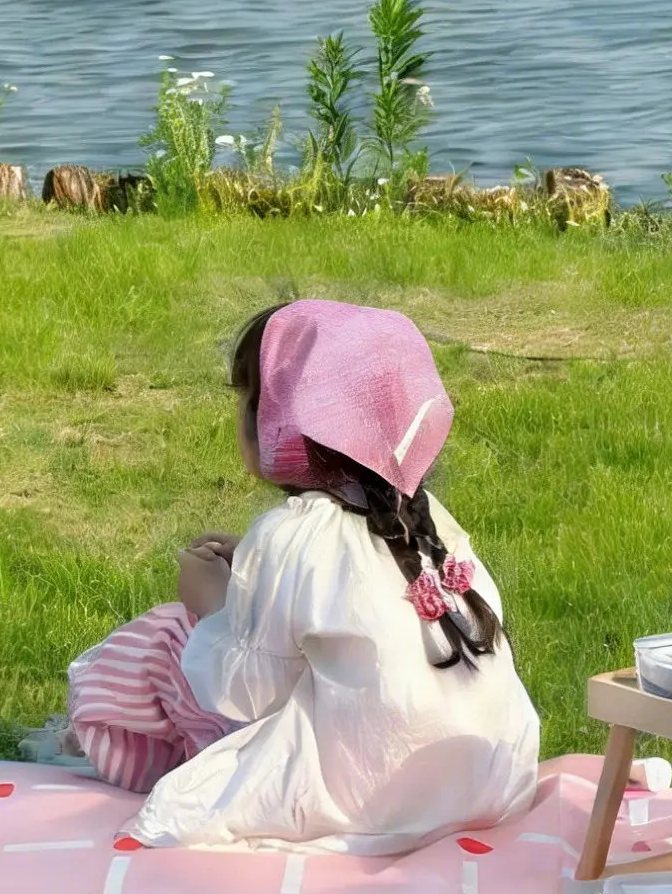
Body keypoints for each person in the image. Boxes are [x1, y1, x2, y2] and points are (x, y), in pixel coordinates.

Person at [56, 299, 541, 855]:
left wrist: (214, 604)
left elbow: (244, 693)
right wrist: (254, 576)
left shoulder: (292, 536)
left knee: (166, 639)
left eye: (248, 399)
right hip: (489, 780)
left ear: (277, 422)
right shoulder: (421, 519)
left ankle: (102, 748)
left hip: (372, 802)